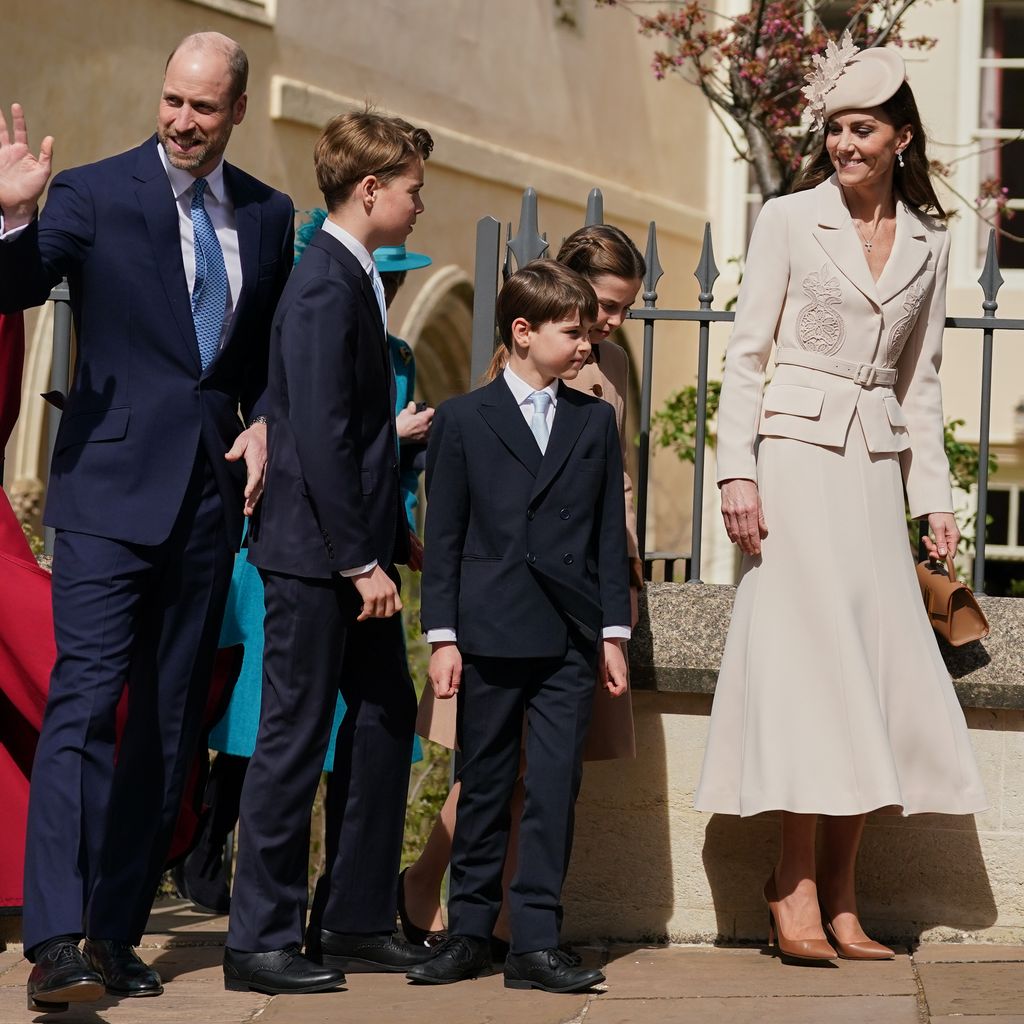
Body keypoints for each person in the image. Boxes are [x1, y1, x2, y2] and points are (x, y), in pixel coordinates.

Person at [0, 32, 294, 1012]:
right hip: (107, 493)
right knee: (84, 707)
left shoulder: (268, 214)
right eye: (172, 100)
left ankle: (116, 932)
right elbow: (14, 285)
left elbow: (267, 359)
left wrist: (265, 423)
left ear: (237, 110)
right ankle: (55, 942)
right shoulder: (90, 193)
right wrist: (12, 216)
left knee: (166, 728)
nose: (181, 121)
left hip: (207, 500)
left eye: (203, 107)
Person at [693, 39, 986, 965]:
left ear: (902, 138)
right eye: (835, 129)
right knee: (807, 671)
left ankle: (846, 896)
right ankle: (793, 885)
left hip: (873, 472)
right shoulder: (788, 218)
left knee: (873, 672)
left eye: (863, 129)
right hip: (791, 464)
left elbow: (921, 381)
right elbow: (746, 355)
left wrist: (934, 500)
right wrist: (736, 472)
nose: (845, 144)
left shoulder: (932, 242)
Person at [222, 109, 434, 996]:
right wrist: (359, 561)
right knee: (294, 735)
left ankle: (353, 919)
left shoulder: (354, 278)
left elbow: (353, 430)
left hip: (352, 549)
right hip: (317, 559)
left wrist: (391, 538)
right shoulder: (322, 285)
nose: (421, 204)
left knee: (384, 715)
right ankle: (258, 941)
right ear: (371, 189)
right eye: (414, 189)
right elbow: (318, 434)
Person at [173, 230, 434, 916]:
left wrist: (398, 523)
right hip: (299, 548)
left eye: (398, 280)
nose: (392, 288)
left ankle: (343, 903)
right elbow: (311, 433)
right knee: (264, 719)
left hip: (364, 547)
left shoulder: (399, 354)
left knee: (355, 722)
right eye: (386, 277)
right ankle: (211, 855)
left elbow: (381, 463)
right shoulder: (314, 309)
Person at [403, 224, 644, 951]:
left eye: (622, 310)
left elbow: (611, 495)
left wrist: (614, 618)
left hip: (576, 605)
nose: (608, 327)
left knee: (550, 780)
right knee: (488, 775)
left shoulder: (600, 387)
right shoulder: (488, 403)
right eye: (600, 309)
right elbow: (457, 521)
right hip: (500, 611)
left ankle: (524, 927)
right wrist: (445, 634)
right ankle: (458, 911)